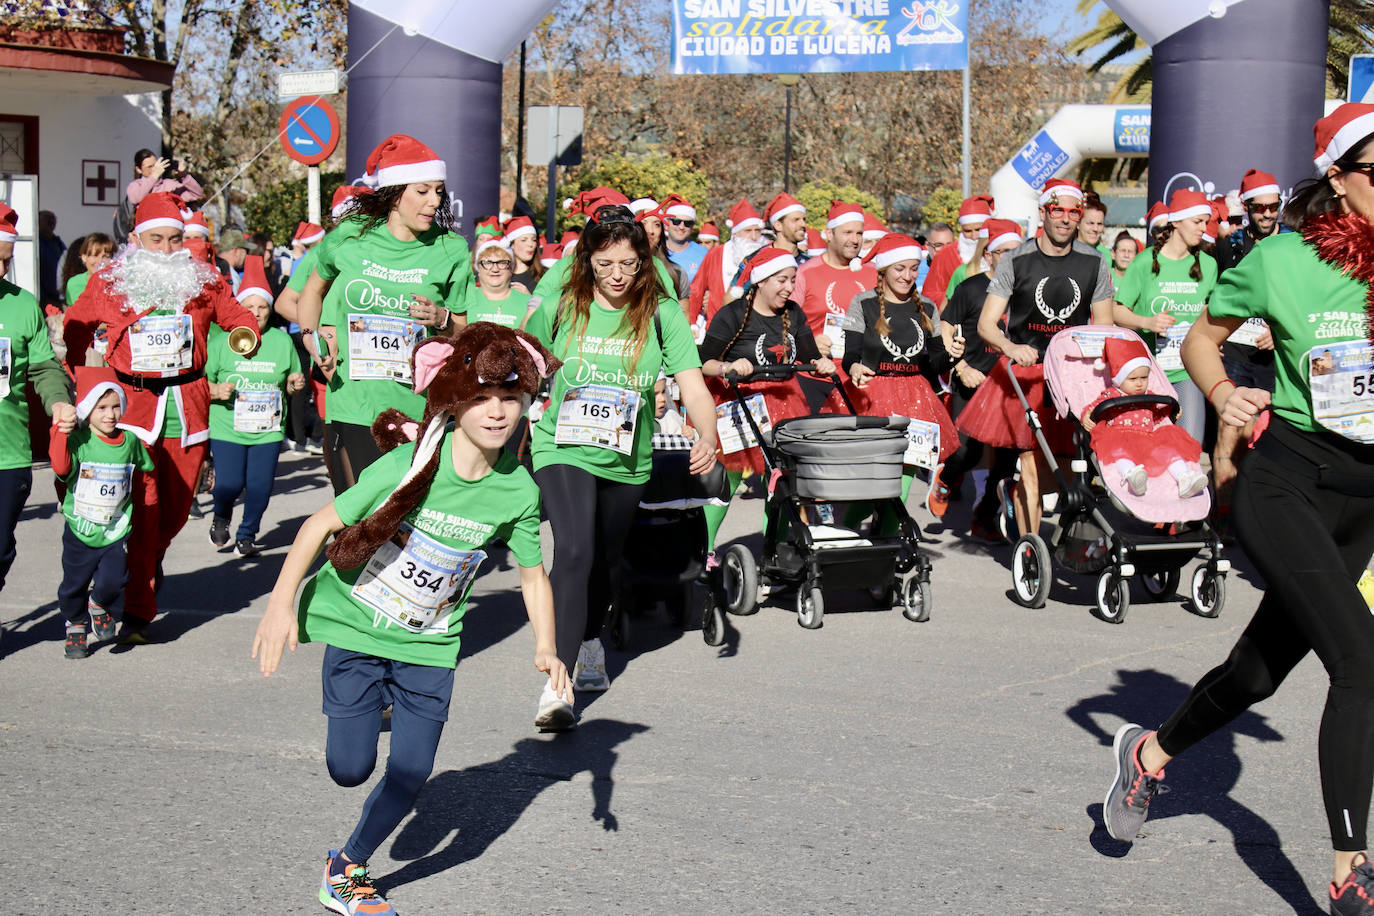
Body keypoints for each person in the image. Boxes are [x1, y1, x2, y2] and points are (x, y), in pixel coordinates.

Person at [1102, 102, 1374, 916]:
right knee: (1362, 663)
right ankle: (1351, 871)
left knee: (1259, 673)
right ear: (1339, 178)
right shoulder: (1280, 259)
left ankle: (1149, 755)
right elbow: (1197, 336)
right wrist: (1222, 395)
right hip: (1287, 483)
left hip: (1366, 500)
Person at [251, 323, 572, 916]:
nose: (497, 412)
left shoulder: (518, 490)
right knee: (349, 769)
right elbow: (318, 524)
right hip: (358, 627)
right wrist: (279, 604)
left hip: (430, 642)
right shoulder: (409, 464)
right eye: (482, 398)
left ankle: (346, 869)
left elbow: (532, 573)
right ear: (455, 401)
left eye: (510, 398)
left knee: (412, 769)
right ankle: (375, 707)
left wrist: (548, 647)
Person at [524, 203, 717, 714]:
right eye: (605, 263)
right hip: (560, 446)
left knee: (606, 560)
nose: (616, 275)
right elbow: (521, 361)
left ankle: (590, 640)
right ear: (587, 261)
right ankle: (557, 686)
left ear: (644, 263)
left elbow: (693, 387)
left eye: (628, 265)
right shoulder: (563, 306)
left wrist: (708, 432)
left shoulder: (661, 313)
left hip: (627, 455)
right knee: (575, 550)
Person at [64, 191, 259, 641]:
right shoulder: (112, 281)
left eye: (176, 240)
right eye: (157, 240)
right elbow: (75, 326)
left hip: (187, 408)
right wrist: (84, 385)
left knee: (170, 516)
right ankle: (134, 607)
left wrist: (245, 333)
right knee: (140, 509)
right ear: (136, 238)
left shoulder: (203, 279)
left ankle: (146, 564)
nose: (168, 250)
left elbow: (236, 316)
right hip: (130, 409)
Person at [296, 135, 471, 493]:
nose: (434, 201)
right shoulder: (349, 236)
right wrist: (311, 338)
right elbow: (311, 292)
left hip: (415, 407)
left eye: (438, 191)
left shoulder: (450, 248)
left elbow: (462, 332)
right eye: (422, 191)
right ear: (394, 192)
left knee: (405, 521)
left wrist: (440, 317)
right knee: (360, 521)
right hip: (353, 401)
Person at [958, 178, 1115, 540]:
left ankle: (1013, 496)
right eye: (1056, 210)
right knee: (1029, 459)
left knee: (1064, 467)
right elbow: (986, 324)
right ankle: (1031, 549)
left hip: (1072, 374)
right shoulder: (1017, 259)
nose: (1064, 218)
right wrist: (1011, 349)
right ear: (1042, 212)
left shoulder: (1094, 262)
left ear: (1079, 216)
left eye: (1072, 212)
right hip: (1025, 374)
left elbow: (1104, 327)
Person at [698, 246, 835, 556]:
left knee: (780, 481)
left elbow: (808, 354)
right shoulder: (733, 314)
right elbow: (704, 361)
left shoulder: (794, 312)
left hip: (785, 401)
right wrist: (728, 367)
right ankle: (702, 550)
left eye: (792, 280)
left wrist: (820, 362)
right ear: (760, 281)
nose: (789, 288)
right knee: (728, 480)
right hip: (741, 401)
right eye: (781, 280)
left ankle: (772, 552)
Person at [839, 234, 958, 534]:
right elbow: (850, 354)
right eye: (899, 269)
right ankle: (847, 533)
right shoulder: (863, 303)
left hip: (916, 399)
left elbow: (935, 364)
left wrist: (953, 354)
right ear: (883, 270)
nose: (908, 276)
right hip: (872, 397)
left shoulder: (928, 307)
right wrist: (854, 367)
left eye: (913, 268)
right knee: (874, 487)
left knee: (900, 490)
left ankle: (884, 558)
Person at [50, 367, 154, 659]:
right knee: (73, 586)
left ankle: (98, 604)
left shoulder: (130, 441)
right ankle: (75, 626)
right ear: (87, 409)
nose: (110, 414)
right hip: (80, 529)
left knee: (114, 579)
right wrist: (60, 431)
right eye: (102, 407)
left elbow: (145, 468)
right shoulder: (79, 441)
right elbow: (60, 468)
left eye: (116, 406)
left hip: (114, 528)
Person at [0, 201, 77, 595]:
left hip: (9, 453)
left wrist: (58, 400)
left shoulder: (21, 304)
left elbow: (43, 367)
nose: (0, 270)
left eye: (6, 261)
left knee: (0, 548)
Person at [927, 219, 1024, 534]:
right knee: (967, 451)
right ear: (990, 255)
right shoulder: (971, 288)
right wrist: (960, 367)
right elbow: (944, 328)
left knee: (1007, 461)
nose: (1010, 257)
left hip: (1011, 386)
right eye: (1003, 251)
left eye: (1016, 251)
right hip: (972, 380)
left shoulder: (1028, 291)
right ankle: (945, 477)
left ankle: (985, 519)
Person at [206, 255, 305, 556]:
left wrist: (295, 383)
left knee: (260, 487)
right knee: (228, 484)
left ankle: (247, 533)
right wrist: (216, 390)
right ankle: (221, 516)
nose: (257, 313)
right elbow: (199, 385)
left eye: (262, 307)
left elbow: (292, 378)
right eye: (249, 307)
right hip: (228, 427)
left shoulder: (280, 341)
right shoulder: (222, 341)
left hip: (268, 429)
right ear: (239, 308)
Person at [1110, 188, 1218, 444]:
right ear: (1177, 221)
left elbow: (1210, 312)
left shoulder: (1209, 265)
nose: (1204, 228)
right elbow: (1117, 310)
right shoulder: (1145, 262)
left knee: (1189, 446)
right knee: (1147, 447)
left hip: (1188, 370)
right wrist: (1147, 322)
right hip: (1147, 371)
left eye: (1206, 221)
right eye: (1197, 221)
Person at [1211, 167, 1288, 503]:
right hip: (1236, 353)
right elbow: (1212, 302)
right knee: (1231, 429)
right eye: (1260, 207)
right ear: (1247, 208)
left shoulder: (1291, 245)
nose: (1268, 214)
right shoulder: (1228, 248)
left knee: (1259, 434)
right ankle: (1224, 509)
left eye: (1273, 206)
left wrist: (1280, 329)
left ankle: (1252, 505)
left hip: (1276, 356)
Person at [1079, 336, 1208, 497]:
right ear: (1118, 379)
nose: (1139, 383)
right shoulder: (1111, 395)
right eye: (1132, 379)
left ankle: (1185, 478)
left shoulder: (1150, 396)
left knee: (1169, 452)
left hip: (1148, 438)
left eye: (1144, 378)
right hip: (1120, 438)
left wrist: (1170, 411)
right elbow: (1092, 408)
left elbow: (1155, 417)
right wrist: (1086, 416)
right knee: (1119, 454)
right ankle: (1132, 477)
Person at [790, 201, 877, 360]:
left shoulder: (874, 272)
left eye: (859, 233)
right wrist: (809, 345)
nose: (855, 240)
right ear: (829, 234)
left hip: (864, 374)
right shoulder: (805, 273)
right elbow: (785, 326)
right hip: (818, 374)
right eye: (847, 232)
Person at [687, 199, 767, 331]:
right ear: (735, 233)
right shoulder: (716, 254)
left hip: (757, 328)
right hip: (719, 327)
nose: (754, 237)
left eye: (757, 231)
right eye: (747, 231)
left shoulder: (766, 254)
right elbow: (697, 288)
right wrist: (693, 322)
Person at [922, 195, 992, 307]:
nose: (974, 236)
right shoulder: (944, 255)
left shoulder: (1000, 251)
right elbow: (929, 295)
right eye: (968, 231)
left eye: (979, 230)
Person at [465, 223, 532, 329]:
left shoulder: (528, 303)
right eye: (487, 263)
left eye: (502, 262)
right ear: (478, 267)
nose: (495, 269)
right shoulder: (464, 301)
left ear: (512, 267)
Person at [641, 197, 690, 300]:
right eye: (643, 223)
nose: (650, 231)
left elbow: (684, 313)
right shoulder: (617, 272)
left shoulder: (676, 273)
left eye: (657, 224)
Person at [662, 196, 707, 282]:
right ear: (667, 222)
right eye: (676, 221)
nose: (681, 227)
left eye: (687, 223)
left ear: (692, 226)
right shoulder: (655, 252)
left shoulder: (704, 254)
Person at [63, 233, 115, 307]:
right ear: (84, 257)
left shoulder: (116, 284)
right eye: (95, 255)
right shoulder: (75, 283)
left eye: (105, 257)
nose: (99, 262)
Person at [505, 215, 543, 293]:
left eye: (534, 240)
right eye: (524, 240)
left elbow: (549, 304)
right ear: (512, 245)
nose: (531, 244)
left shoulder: (543, 276)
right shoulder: (501, 275)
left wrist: (528, 298)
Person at [764, 193, 808, 260]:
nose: (803, 224)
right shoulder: (757, 262)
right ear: (778, 225)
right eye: (796, 220)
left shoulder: (809, 264)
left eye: (804, 220)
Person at [916, 221, 954, 291]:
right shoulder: (914, 272)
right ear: (927, 246)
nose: (945, 250)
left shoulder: (963, 271)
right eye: (939, 245)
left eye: (949, 245)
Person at [38, 210, 65, 308]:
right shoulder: (36, 244)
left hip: (59, 296)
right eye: (47, 219)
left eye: (53, 219)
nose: (51, 222)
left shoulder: (58, 243)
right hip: (44, 298)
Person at [1079, 193, 1109, 259]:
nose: (1095, 229)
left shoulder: (1104, 256)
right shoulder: (1064, 252)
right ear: (1078, 224)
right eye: (1090, 223)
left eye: (1099, 224)